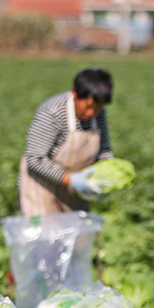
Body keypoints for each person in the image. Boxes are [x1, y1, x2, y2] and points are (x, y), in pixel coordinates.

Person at [18, 68, 114, 216]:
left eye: (97, 108)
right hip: (42, 190)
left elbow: (104, 150)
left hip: (74, 194)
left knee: (75, 230)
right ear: (74, 93)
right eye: (87, 106)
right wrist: (72, 180)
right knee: (45, 231)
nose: (91, 113)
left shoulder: (98, 114)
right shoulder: (52, 112)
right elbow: (35, 158)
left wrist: (106, 176)